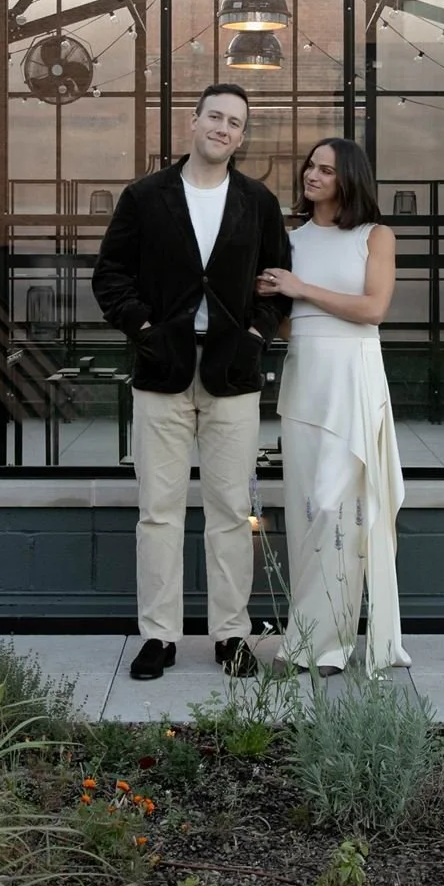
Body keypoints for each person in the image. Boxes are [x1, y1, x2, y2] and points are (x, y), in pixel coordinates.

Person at [93, 84, 291, 682]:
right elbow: (111, 275)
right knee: (159, 511)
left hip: (233, 374)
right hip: (162, 374)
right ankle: (159, 636)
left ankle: (230, 635)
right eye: (215, 117)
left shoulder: (257, 202)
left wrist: (257, 336)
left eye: (235, 122)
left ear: (242, 134)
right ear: (194, 121)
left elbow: (278, 278)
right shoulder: (146, 196)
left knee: (231, 510)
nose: (223, 128)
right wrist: (146, 329)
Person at [257, 137, 409, 675]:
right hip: (305, 378)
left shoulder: (376, 236)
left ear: (349, 178)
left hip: (355, 377)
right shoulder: (290, 239)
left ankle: (326, 645)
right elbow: (284, 320)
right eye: (310, 166)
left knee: (338, 509)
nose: (312, 175)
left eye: (325, 169)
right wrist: (276, 294)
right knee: (305, 513)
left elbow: (373, 309)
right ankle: (314, 637)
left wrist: (302, 287)